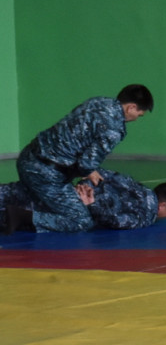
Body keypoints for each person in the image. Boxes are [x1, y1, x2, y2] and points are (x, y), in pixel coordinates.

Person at [12, 85, 152, 234]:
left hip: (28, 157)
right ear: (131, 107)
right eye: (139, 114)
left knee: (29, 196)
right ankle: (21, 217)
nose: (136, 118)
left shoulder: (98, 101)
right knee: (81, 220)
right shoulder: (113, 129)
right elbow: (86, 164)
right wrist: (90, 172)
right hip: (47, 174)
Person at [0, 169, 166, 233]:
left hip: (70, 190)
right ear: (163, 206)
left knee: (17, 192)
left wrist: (84, 185)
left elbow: (98, 173)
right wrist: (91, 202)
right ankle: (20, 217)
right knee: (80, 223)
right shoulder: (145, 216)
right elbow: (116, 221)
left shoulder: (133, 183)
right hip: (81, 208)